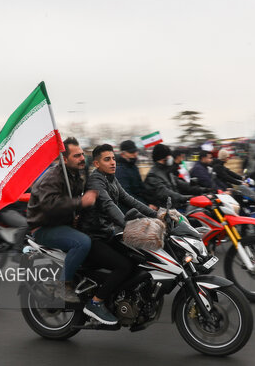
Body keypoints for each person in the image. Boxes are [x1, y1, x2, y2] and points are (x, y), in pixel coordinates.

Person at [81, 144, 159, 325]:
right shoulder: (96, 181)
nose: (113, 162)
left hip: (108, 233)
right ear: (97, 163)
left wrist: (157, 215)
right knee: (124, 266)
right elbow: (109, 206)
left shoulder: (111, 179)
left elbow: (130, 200)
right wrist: (129, 224)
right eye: (107, 159)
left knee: (139, 258)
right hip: (94, 237)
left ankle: (124, 297)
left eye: (114, 158)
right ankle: (95, 303)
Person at [27, 137, 97, 304]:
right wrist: (81, 202)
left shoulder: (74, 176)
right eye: (76, 156)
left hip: (61, 224)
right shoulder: (52, 177)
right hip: (44, 228)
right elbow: (49, 205)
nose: (82, 158)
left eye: (82, 154)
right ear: (64, 159)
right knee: (82, 243)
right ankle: (63, 285)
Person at [143, 144, 207, 208]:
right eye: (169, 156)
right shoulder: (153, 175)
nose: (171, 158)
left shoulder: (167, 172)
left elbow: (183, 185)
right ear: (163, 158)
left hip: (176, 207)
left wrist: (204, 190)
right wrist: (185, 198)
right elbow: (166, 193)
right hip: (166, 211)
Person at [115, 140, 148, 206]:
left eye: (135, 151)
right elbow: (126, 195)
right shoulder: (119, 170)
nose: (135, 154)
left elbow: (141, 190)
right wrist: (146, 206)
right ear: (122, 154)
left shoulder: (133, 167)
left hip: (139, 205)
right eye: (131, 152)